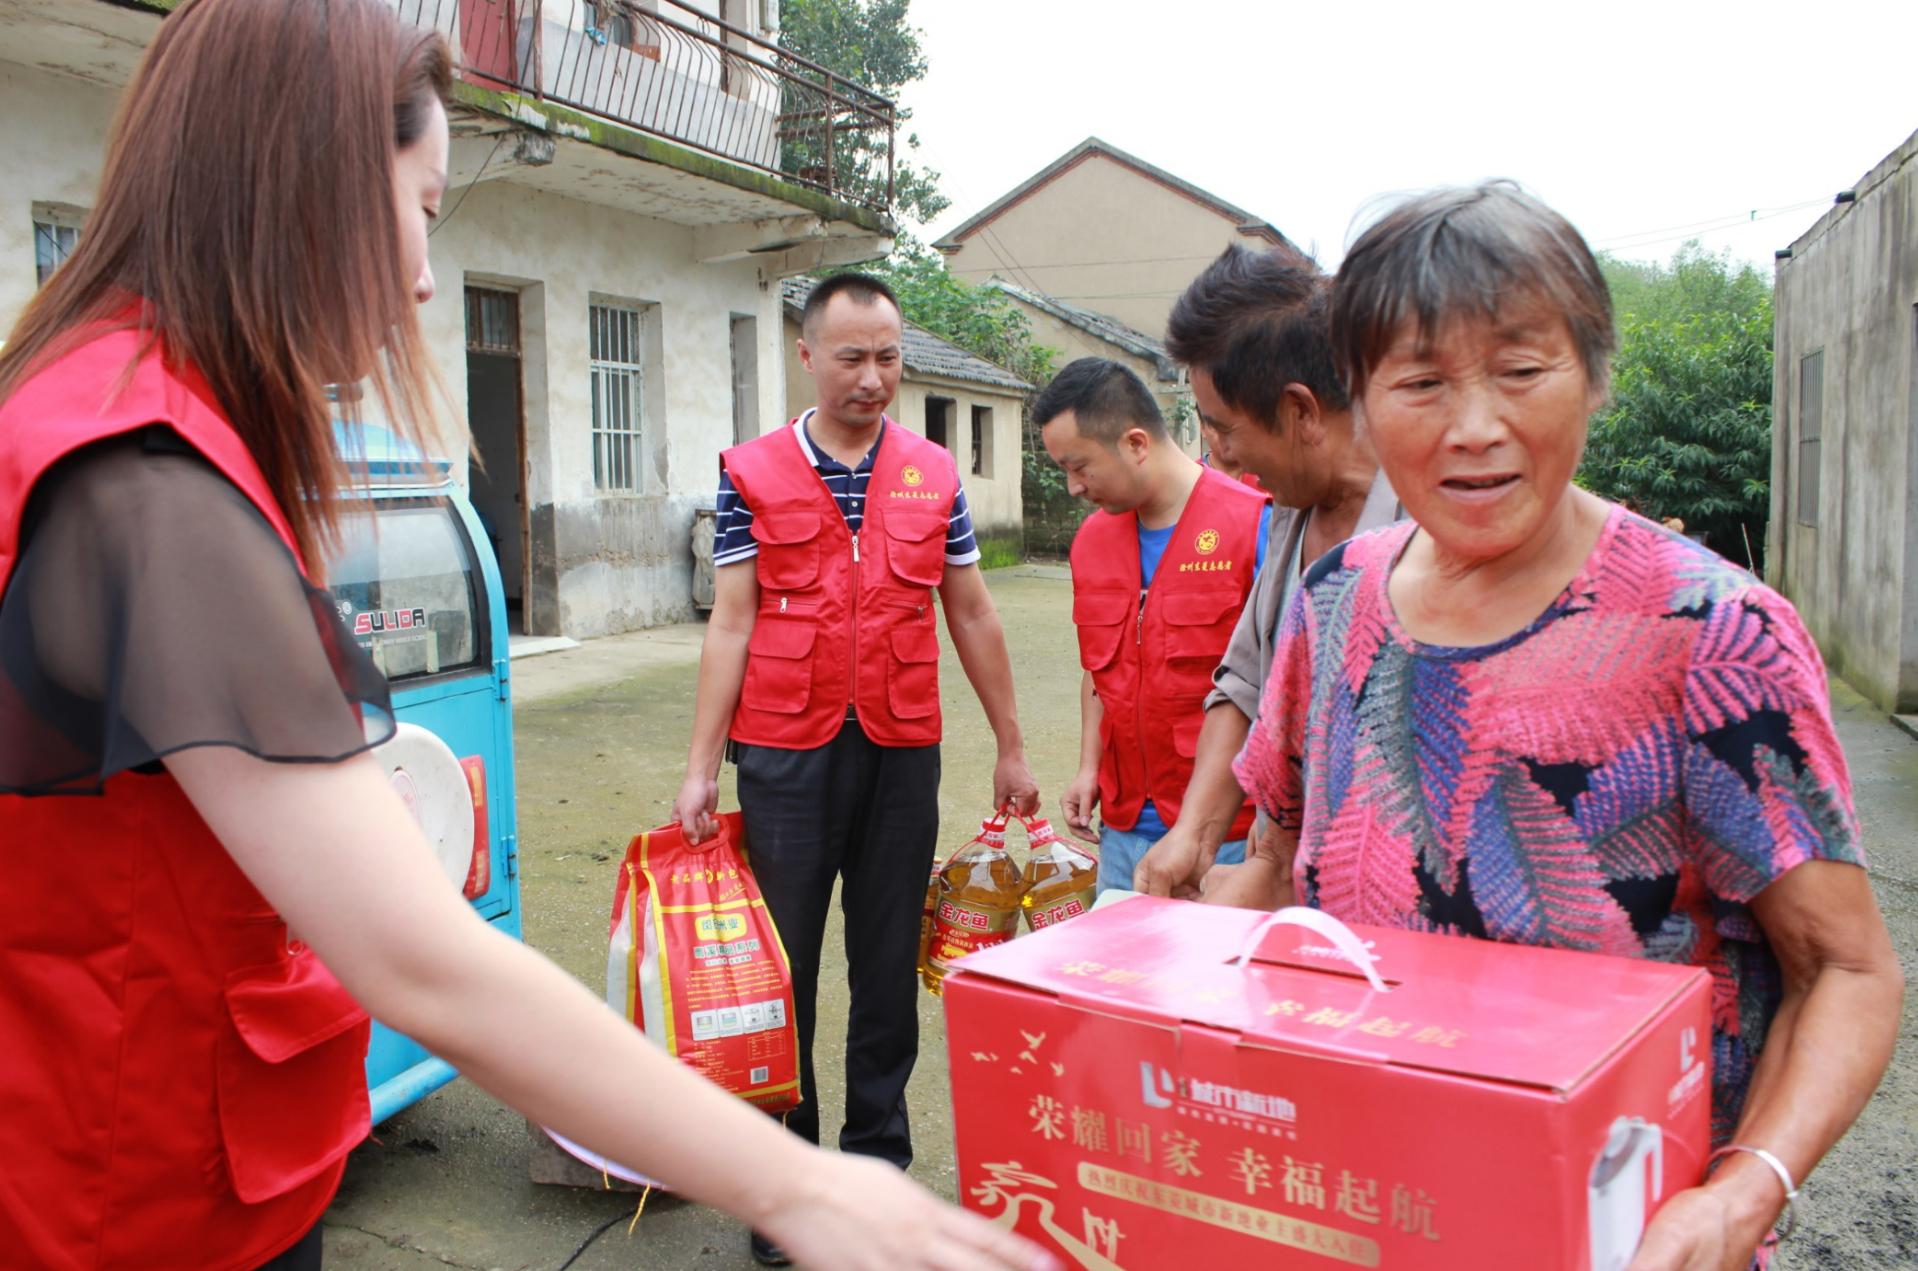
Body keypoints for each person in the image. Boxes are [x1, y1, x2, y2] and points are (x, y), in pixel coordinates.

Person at [0, 7, 1058, 1271]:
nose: (421, 278)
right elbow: (424, 961)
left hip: (162, 1146)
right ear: (311, 183)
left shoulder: (105, 406)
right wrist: (807, 1188)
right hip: (139, 1196)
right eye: (425, 210)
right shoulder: (147, 477)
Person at [1221, 182, 1903, 1271]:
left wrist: (1740, 1195)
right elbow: (1274, 853)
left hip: (1618, 1230)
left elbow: (1846, 970)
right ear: (1359, 399)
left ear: (1592, 379)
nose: (1476, 425)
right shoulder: (1336, 596)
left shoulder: (1710, 631)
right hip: (1368, 1203)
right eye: (1422, 381)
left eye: (1521, 369)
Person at [673, 273, 1040, 1265]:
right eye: (852, 357)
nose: (872, 378)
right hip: (785, 754)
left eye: (888, 358)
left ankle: (873, 1173)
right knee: (780, 976)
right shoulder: (751, 470)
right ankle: (785, 1190)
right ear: (808, 357)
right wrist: (702, 765)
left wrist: (1008, 740)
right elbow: (734, 618)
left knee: (884, 971)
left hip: (898, 749)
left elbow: (968, 607)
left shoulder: (929, 471)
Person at [1132, 245, 1403, 897]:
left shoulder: (1427, 525)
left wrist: (1278, 879)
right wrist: (1195, 837)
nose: (1217, 456)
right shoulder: (1293, 510)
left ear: (1301, 412)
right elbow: (1249, 682)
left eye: (1225, 429)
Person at [1036, 358, 1269, 892]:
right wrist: (1088, 767)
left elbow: (1279, 691)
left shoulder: (1255, 526)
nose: (1073, 487)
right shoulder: (1092, 541)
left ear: (1136, 443)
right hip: (1122, 830)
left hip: (1228, 833)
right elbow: (1100, 668)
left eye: (1080, 467)